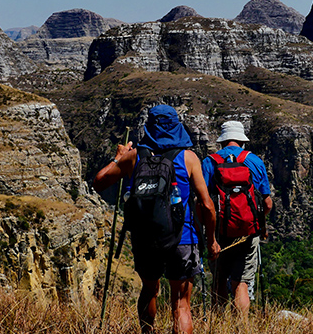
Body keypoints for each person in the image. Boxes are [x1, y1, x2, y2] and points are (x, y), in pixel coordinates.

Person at [94, 105, 220, 334]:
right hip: (182, 238)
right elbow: (207, 205)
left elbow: (99, 182)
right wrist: (211, 241)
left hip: (145, 238)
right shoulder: (188, 158)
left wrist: (118, 158)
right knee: (181, 304)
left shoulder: (134, 157)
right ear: (177, 127)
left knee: (149, 290)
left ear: (149, 128)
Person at [202, 120, 273, 317]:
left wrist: (207, 236)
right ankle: (240, 326)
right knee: (241, 283)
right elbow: (267, 204)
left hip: (218, 234)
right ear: (242, 141)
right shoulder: (255, 161)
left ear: (222, 141)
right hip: (248, 233)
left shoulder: (209, 162)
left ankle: (218, 324)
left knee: (219, 279)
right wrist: (259, 224)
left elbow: (203, 203)